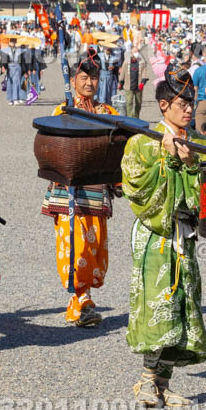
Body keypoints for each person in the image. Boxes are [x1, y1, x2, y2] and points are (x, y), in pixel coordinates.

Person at [121, 64, 205, 407]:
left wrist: (191, 166)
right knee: (158, 305)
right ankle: (144, 382)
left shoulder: (197, 143)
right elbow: (136, 188)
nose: (188, 108)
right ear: (163, 105)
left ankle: (163, 382)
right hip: (156, 235)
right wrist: (168, 162)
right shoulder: (142, 142)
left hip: (184, 235)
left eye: (191, 102)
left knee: (184, 305)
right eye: (181, 103)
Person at [44, 52, 117, 327]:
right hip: (69, 192)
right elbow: (50, 147)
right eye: (84, 77)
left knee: (95, 246)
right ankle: (79, 302)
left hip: (97, 191)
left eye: (94, 78)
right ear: (73, 80)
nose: (89, 83)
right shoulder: (61, 111)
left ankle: (84, 298)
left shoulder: (108, 112)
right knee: (74, 246)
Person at [191, 44, 206, 136]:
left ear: (204, 54)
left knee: (200, 132)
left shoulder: (199, 70)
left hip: (203, 102)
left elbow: (195, 90)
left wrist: (195, 104)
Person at [119, 44, 147, 119]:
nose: (136, 53)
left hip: (138, 86)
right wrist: (121, 82)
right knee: (129, 102)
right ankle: (130, 117)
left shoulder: (142, 62)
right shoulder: (126, 62)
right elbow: (123, 73)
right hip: (128, 86)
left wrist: (142, 82)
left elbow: (144, 73)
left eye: (137, 51)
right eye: (135, 51)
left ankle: (136, 117)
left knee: (138, 103)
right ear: (131, 53)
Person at [0, 37, 24, 105]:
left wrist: (25, 70)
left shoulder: (19, 50)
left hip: (17, 66)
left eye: (14, 42)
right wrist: (3, 66)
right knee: (9, 83)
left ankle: (16, 98)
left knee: (17, 82)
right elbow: (3, 59)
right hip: (10, 67)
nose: (12, 44)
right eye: (11, 42)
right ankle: (10, 99)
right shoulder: (6, 50)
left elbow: (22, 60)